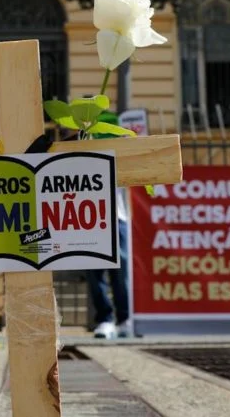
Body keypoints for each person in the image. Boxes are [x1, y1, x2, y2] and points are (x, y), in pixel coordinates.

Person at [87, 111, 132, 339]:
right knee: (96, 272)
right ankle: (105, 318)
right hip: (91, 219)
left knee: (121, 271)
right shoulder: (86, 151)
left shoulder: (123, 155)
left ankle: (124, 318)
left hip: (118, 216)